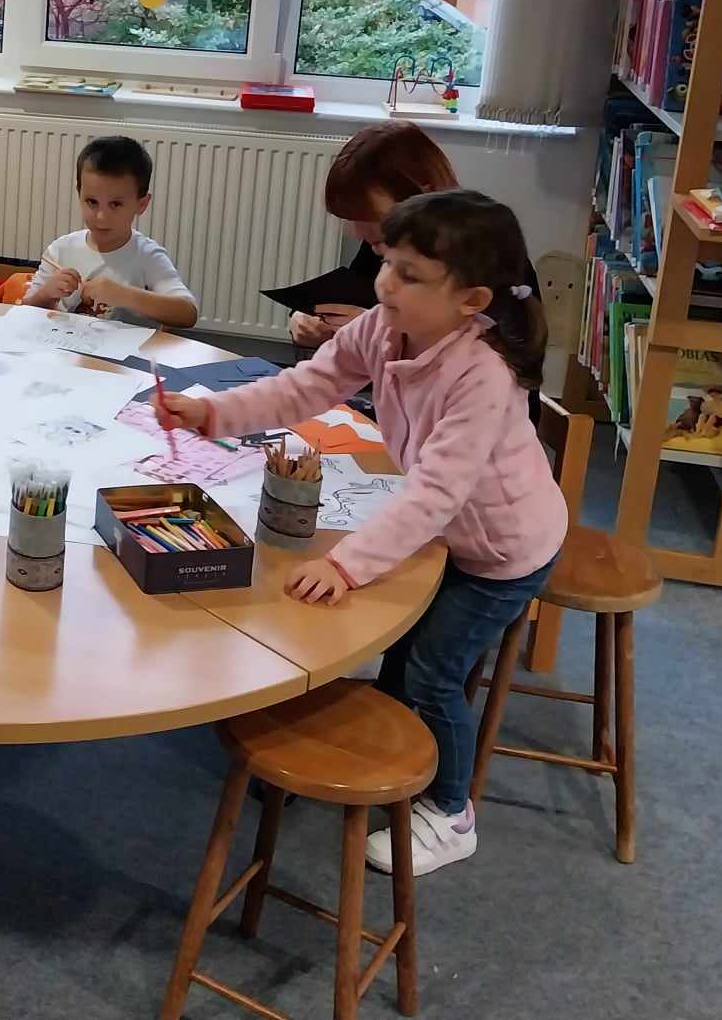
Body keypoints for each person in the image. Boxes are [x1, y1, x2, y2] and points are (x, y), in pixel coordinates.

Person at [155, 190, 565, 877]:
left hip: (503, 551)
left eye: (410, 274)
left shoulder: (482, 375)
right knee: (398, 648)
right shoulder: (382, 327)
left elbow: (435, 493)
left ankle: (452, 812)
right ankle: (392, 748)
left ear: (471, 301)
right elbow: (300, 390)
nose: (385, 283)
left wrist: (346, 566)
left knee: (433, 674)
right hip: (449, 536)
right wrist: (212, 412)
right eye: (387, 263)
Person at [288, 121, 458, 349]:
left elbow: (473, 351)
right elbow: (346, 295)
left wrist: (375, 328)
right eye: (352, 217)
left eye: (370, 216)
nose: (358, 232)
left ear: (423, 195)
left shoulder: (479, 256)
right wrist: (302, 317)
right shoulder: (381, 243)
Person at [21, 135, 199, 329]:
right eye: (92, 202)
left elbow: (188, 313)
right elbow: (24, 313)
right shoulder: (60, 250)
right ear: (79, 195)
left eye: (115, 204)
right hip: (64, 345)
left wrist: (124, 295)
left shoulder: (147, 256)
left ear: (142, 204)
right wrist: (46, 293)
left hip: (127, 349)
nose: (101, 217)